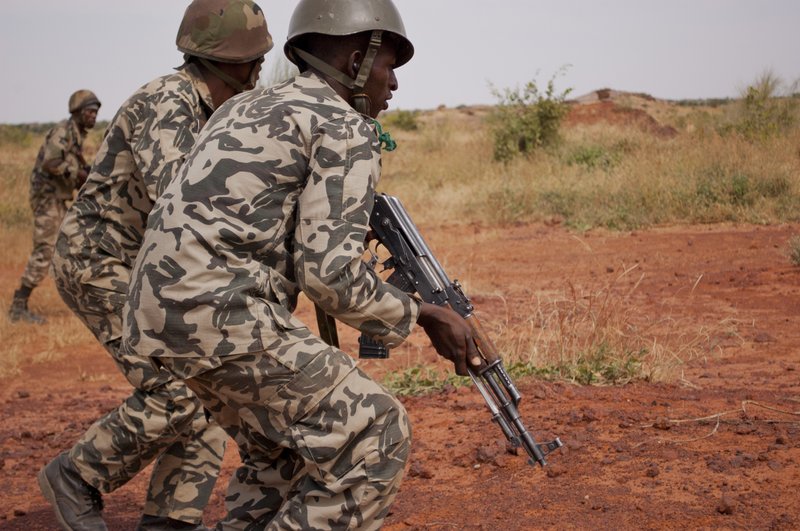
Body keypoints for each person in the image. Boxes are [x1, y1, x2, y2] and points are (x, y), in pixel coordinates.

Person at [123, 0, 481, 528]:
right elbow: (330, 278)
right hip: (221, 315)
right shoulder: (344, 125)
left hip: (155, 316)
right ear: (359, 58)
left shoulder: (241, 107)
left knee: (283, 458)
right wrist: (426, 315)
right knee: (375, 432)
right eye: (390, 67)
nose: (395, 84)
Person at [37, 1, 273, 530]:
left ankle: (168, 522)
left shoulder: (212, 109)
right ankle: (76, 475)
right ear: (218, 58)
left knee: (204, 399)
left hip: (150, 269)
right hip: (100, 260)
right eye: (250, 56)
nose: (259, 66)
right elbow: (185, 204)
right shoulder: (168, 101)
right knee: (179, 393)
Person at [8, 90, 99, 324]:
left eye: (96, 112)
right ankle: (18, 306)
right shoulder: (62, 132)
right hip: (47, 198)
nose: (93, 116)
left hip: (57, 198)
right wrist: (77, 174)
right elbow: (51, 163)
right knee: (45, 250)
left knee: (70, 245)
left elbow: (75, 165)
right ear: (77, 112)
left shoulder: (75, 134)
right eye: (90, 111)